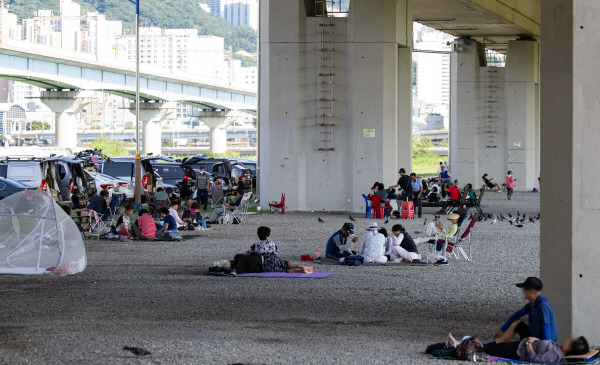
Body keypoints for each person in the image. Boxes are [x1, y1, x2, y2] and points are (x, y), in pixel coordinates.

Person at [492, 277, 558, 344]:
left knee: (511, 348)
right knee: (517, 323)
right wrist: (502, 330)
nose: (523, 291)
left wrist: (545, 348)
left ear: (533, 291)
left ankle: (492, 347)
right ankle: (494, 343)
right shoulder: (532, 304)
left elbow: (546, 328)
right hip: (533, 337)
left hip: (542, 343)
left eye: (525, 289)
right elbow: (517, 315)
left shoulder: (543, 306)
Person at [483, 335, 590, 363]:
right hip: (520, 346)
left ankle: (473, 348)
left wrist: (529, 343)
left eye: (569, 340)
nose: (567, 339)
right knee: (493, 347)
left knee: (490, 349)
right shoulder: (558, 348)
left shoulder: (555, 355)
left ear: (569, 347)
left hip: (517, 351)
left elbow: (535, 359)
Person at [231, 253, 313, 274]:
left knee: (284, 270)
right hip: (264, 259)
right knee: (285, 263)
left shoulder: (238, 270)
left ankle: (300, 271)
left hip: (264, 269)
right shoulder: (237, 256)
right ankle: (301, 267)